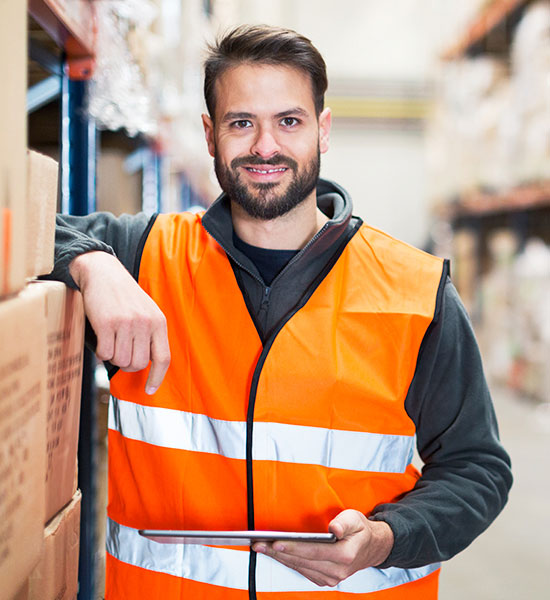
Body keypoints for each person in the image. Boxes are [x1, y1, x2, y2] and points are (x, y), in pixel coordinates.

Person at [48, 24, 512, 600]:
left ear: (322, 129)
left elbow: (477, 468)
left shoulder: (416, 292)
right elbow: (22, 222)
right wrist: (91, 265)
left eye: (288, 121)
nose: (265, 146)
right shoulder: (145, 255)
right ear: (210, 134)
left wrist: (389, 537)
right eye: (242, 123)